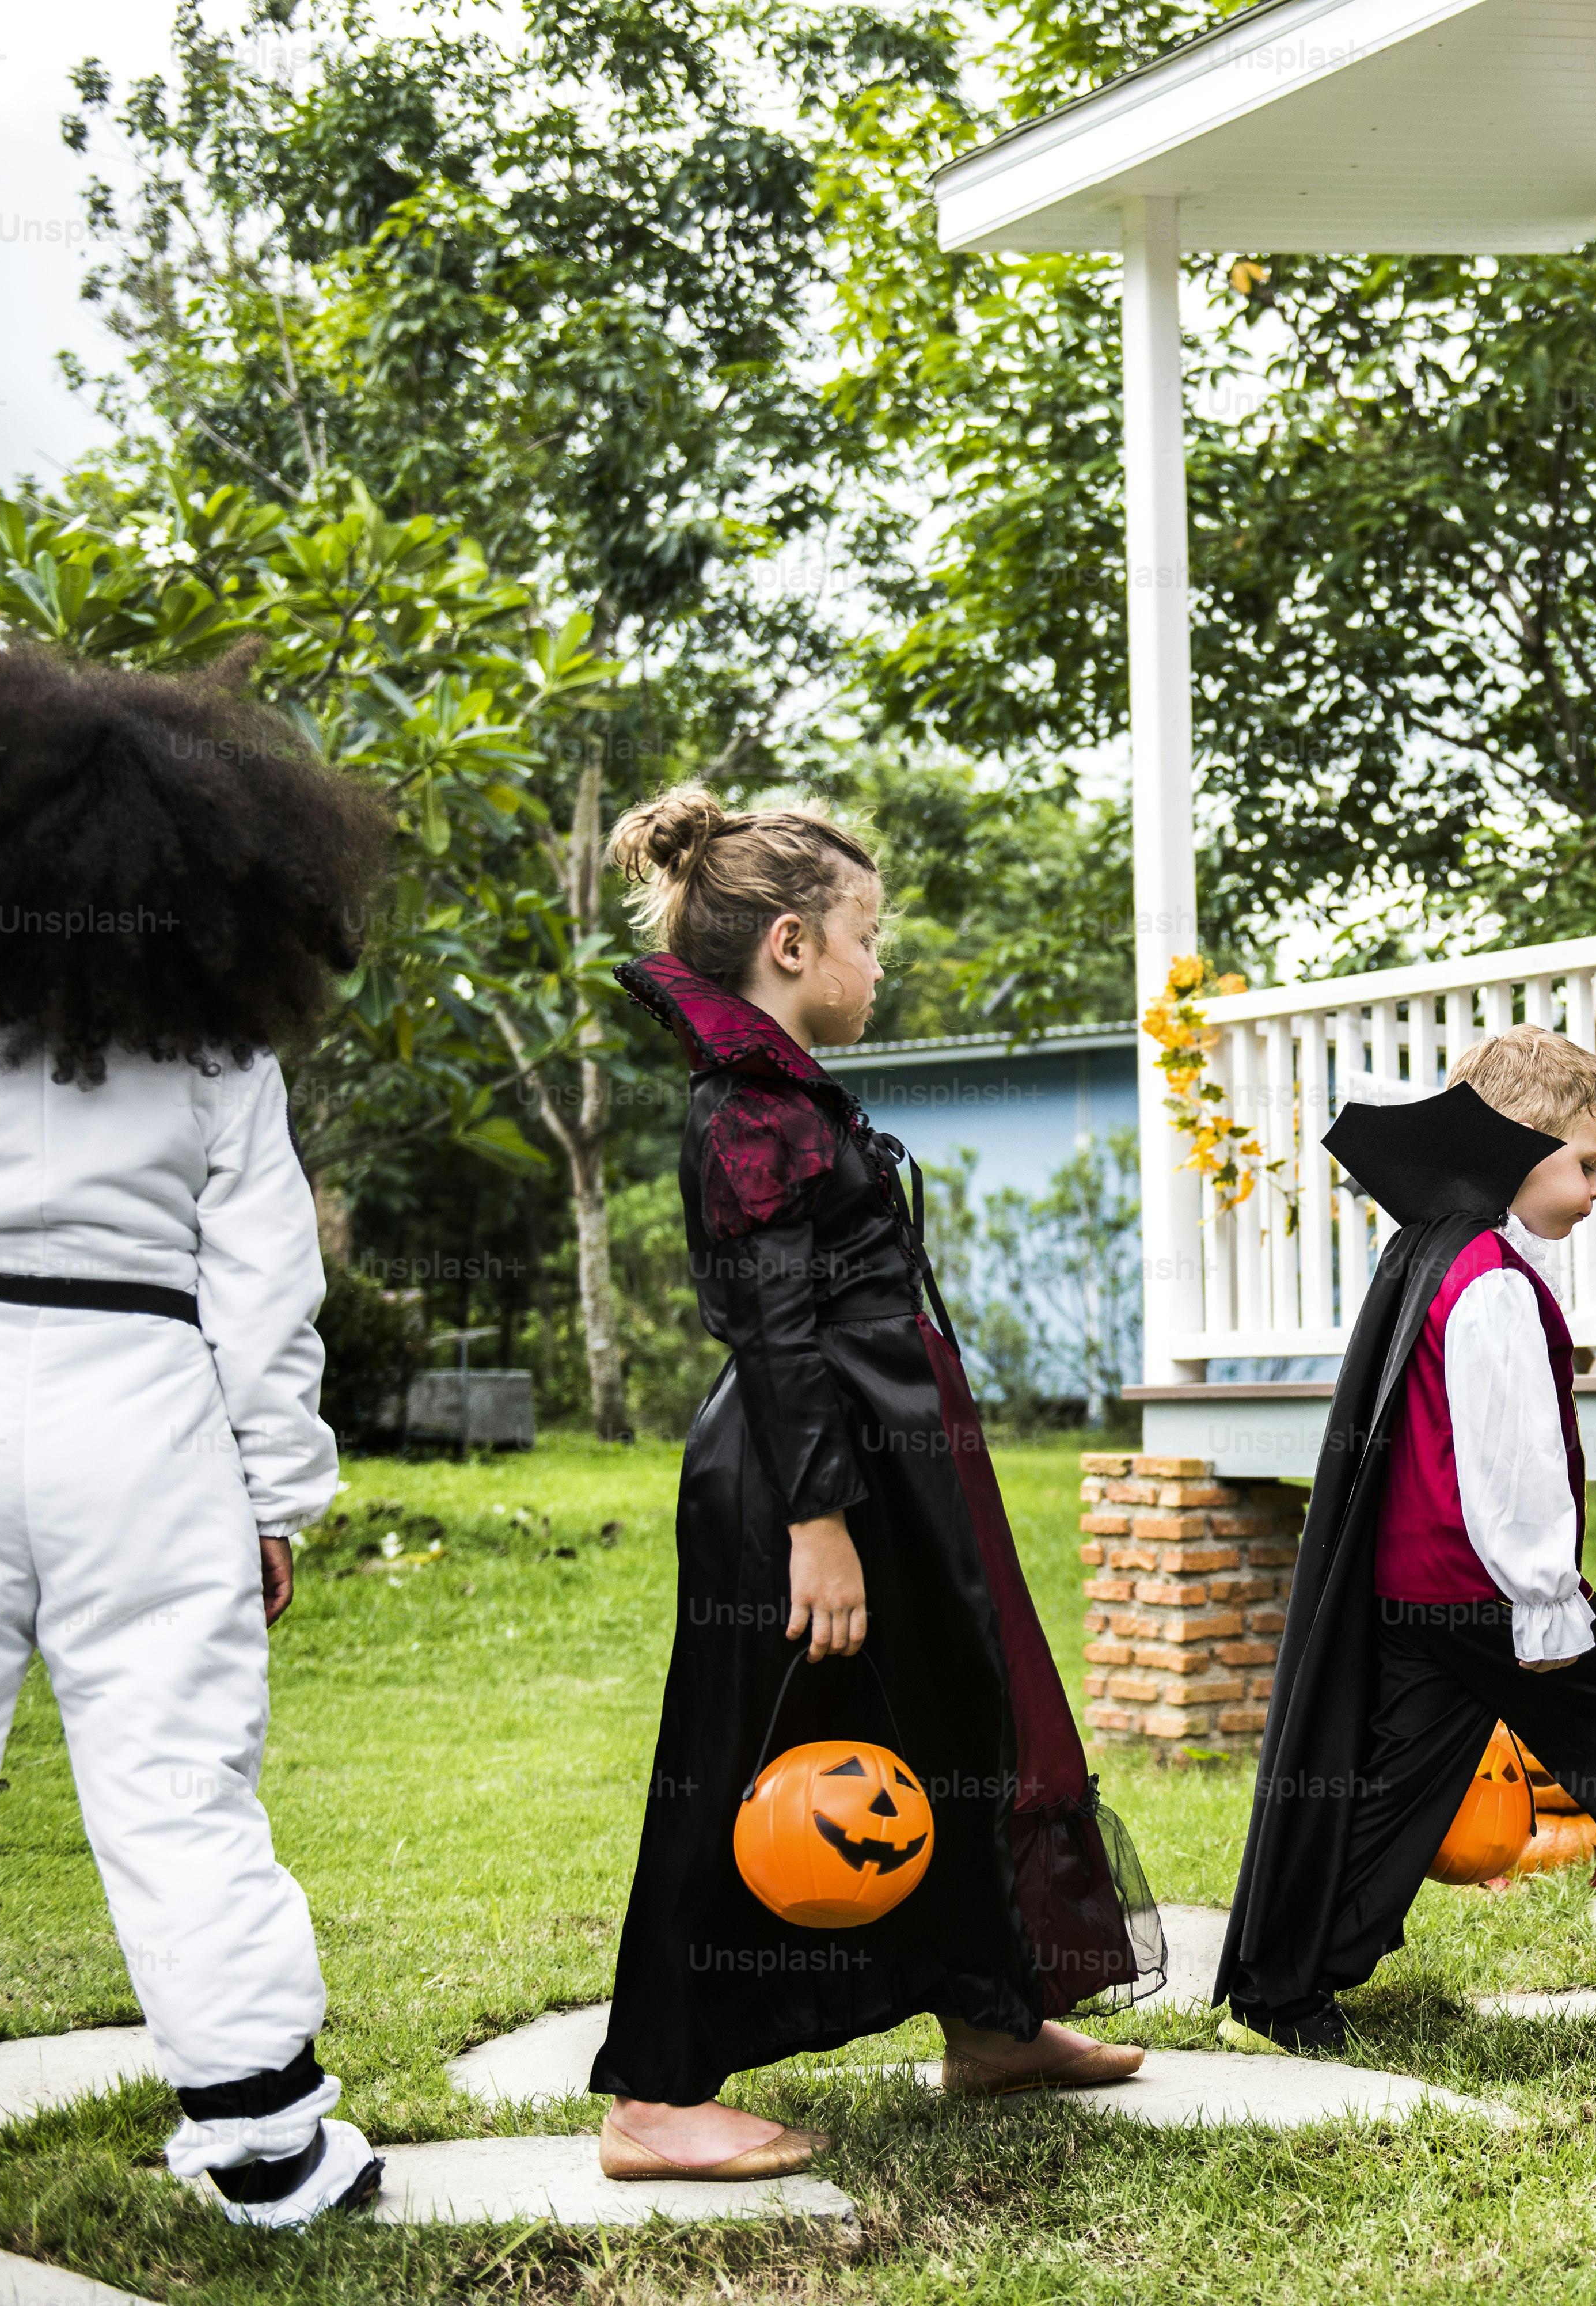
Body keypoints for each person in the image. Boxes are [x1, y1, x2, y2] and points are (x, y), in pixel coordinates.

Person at [0, 636, 397, 2284]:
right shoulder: (221, 1074)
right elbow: (267, 1303)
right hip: (148, 1427)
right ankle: (266, 2141)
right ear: (197, 871)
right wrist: (274, 1497)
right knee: (180, 1787)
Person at [591, 785, 1149, 2178]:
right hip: (805, 1476)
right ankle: (655, 2094)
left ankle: (989, 2015)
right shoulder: (742, 1112)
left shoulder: (791, 1094)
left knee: (953, 1723)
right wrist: (818, 1523)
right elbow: (773, 1329)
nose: (879, 960)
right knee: (740, 1754)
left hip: (893, 1465)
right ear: (789, 942)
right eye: (866, 934)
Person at [1215, 1028, 1596, 2052]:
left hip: (1418, 1588)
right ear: (1518, 1146)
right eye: (1586, 1164)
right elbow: (1508, 1461)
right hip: (1485, 1584)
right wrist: (1546, 1602)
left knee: (1400, 1792)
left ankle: (1287, 1987)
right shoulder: (1486, 1276)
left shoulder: (1438, 1245)